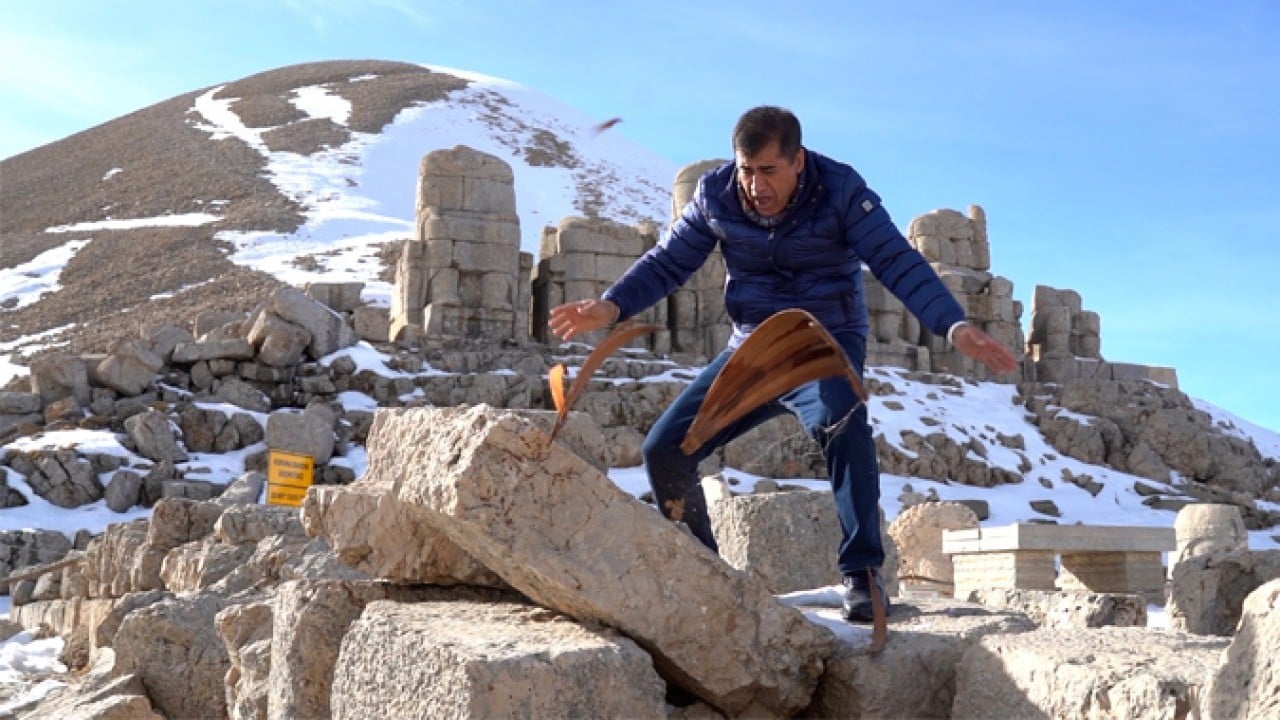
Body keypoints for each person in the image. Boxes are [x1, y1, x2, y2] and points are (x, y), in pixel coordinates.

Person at [549, 106, 1018, 622]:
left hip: (824, 344)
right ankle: (704, 577)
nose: (754, 186)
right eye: (746, 171)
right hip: (751, 348)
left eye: (768, 171)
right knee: (663, 449)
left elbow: (895, 260)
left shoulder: (841, 190)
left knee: (844, 423)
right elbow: (668, 261)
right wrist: (611, 306)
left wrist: (952, 325)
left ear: (798, 161)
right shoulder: (715, 194)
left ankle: (863, 578)